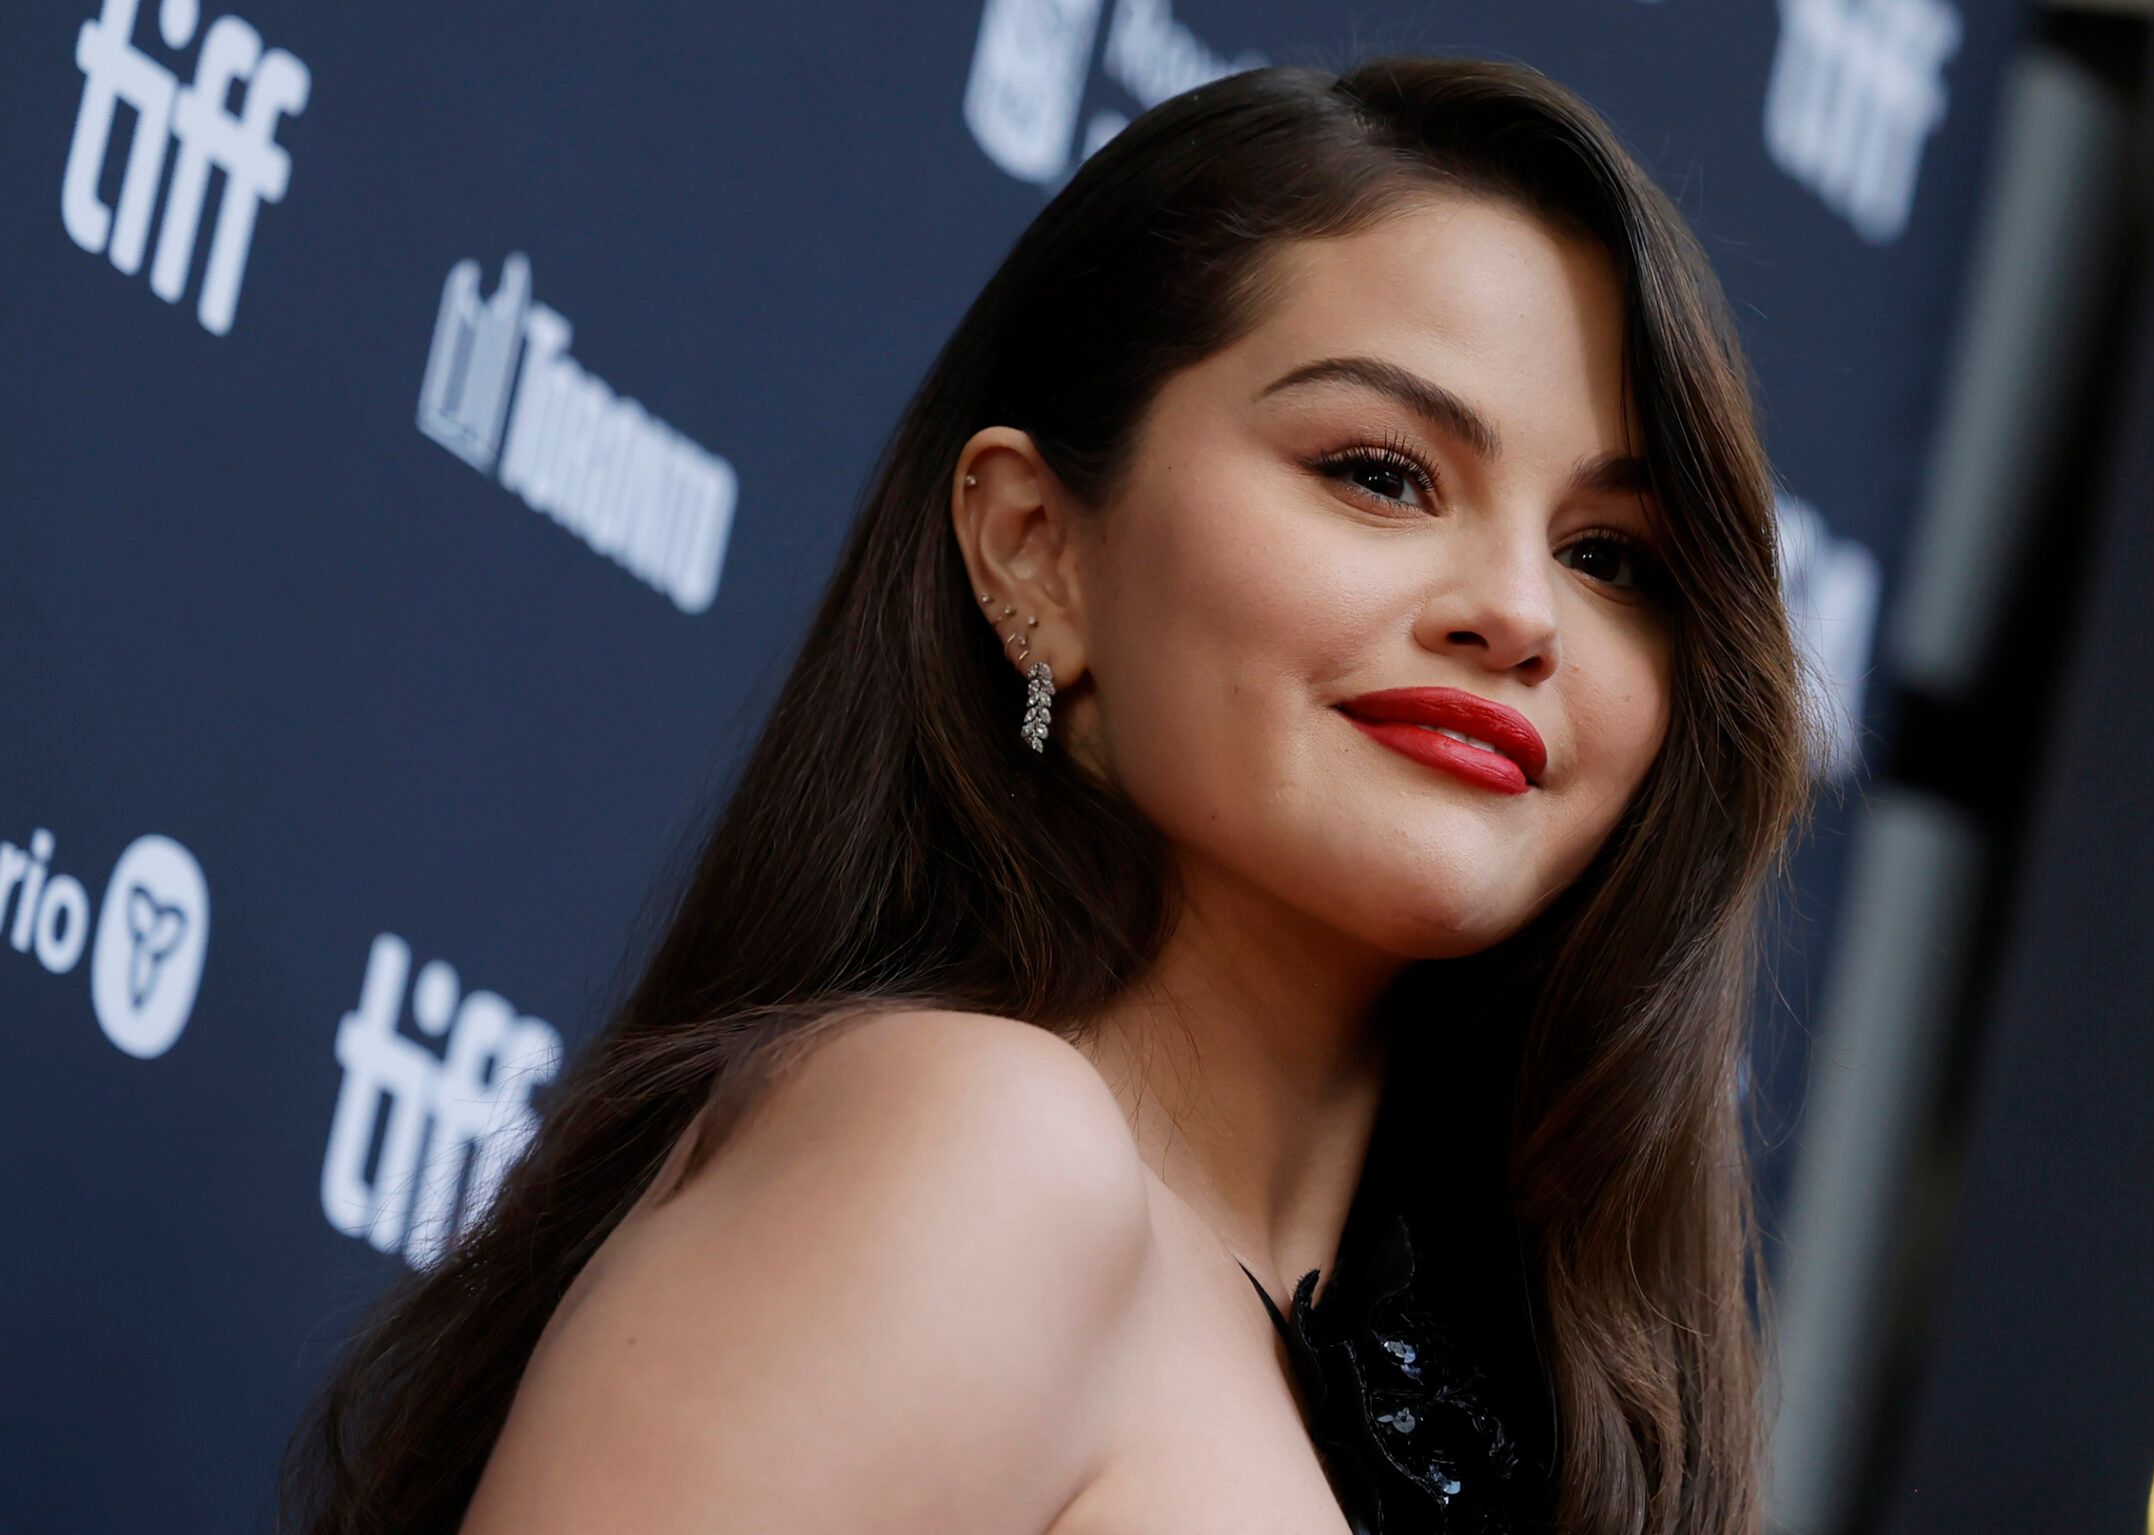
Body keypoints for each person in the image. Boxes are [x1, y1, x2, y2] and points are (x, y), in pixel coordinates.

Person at [277, 52, 1825, 1535]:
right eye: (1378, 471)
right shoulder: (983, 1153)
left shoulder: (1524, 1413)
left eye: (1610, 557)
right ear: (1035, 550)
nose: (1520, 613)